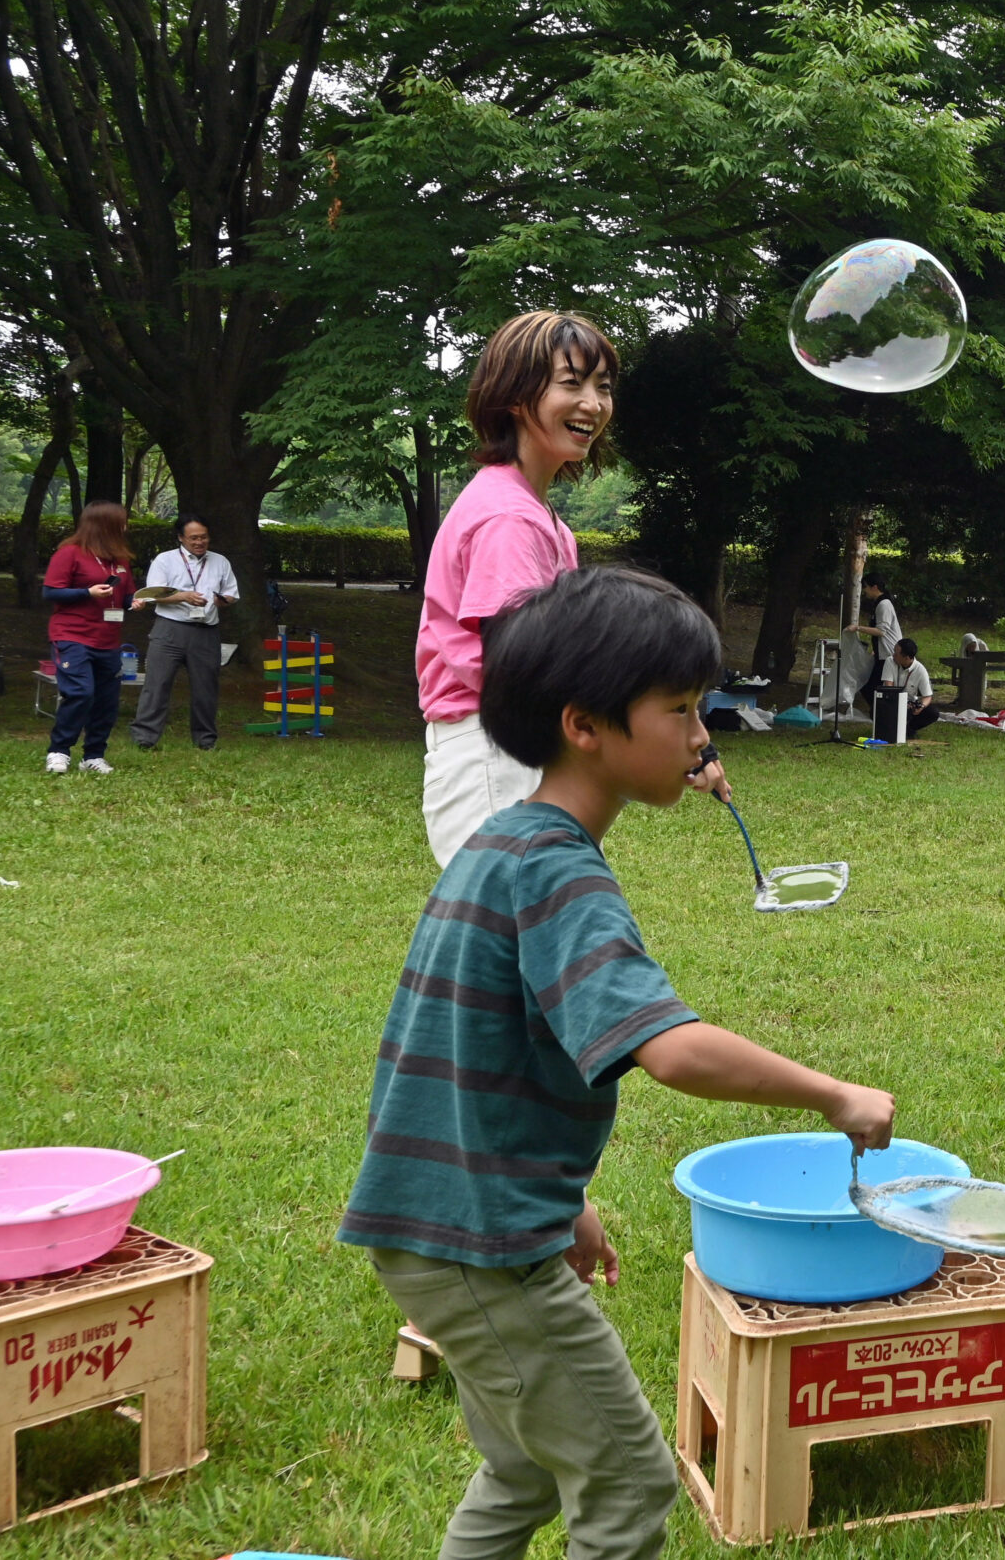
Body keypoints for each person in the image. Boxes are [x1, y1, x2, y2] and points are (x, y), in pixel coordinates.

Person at [340, 567, 897, 1560]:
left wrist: (562, 1200)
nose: (700, 735)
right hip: (479, 1249)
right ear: (585, 725)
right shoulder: (559, 873)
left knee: (520, 1470)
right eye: (678, 710)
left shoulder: (501, 846)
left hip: (448, 1224)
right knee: (631, 1486)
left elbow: (480, 1052)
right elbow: (672, 1049)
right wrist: (833, 1094)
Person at [416, 310, 725, 867]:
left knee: (540, 925)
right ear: (514, 396)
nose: (594, 403)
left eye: (603, 387)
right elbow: (518, 665)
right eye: (571, 382)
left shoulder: (537, 517)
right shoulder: (508, 519)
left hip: (520, 749)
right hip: (497, 751)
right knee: (525, 926)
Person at [40, 500, 136, 775]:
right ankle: (59, 751)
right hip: (72, 635)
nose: (126, 527)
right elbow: (51, 592)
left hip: (108, 639)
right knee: (80, 692)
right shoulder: (69, 553)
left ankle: (93, 755)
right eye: (122, 522)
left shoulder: (120, 559)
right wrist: (87, 593)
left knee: (107, 699)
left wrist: (136, 601)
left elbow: (126, 595)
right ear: (105, 525)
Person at [131, 515, 240, 751]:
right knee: (157, 684)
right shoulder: (165, 560)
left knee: (206, 688)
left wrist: (223, 600)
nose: (199, 542)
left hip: (206, 631)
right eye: (194, 538)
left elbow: (231, 593)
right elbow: (151, 595)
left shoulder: (220, 561)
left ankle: (205, 740)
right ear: (181, 538)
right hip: (169, 628)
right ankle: (145, 739)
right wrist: (183, 595)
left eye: (204, 537)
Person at [845, 576, 901, 705]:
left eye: (865, 587)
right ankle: (879, 710)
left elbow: (881, 631)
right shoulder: (879, 604)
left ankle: (882, 710)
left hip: (889, 653)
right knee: (870, 684)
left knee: (870, 685)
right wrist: (876, 650)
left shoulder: (884, 604)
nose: (864, 590)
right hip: (882, 652)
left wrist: (858, 628)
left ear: (874, 587)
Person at [889, 636, 940, 732]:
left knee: (932, 712)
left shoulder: (920, 670)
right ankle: (893, 729)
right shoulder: (890, 661)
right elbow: (888, 686)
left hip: (909, 705)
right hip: (892, 702)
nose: (893, 655)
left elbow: (927, 696)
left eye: (896, 653)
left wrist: (921, 707)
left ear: (906, 658)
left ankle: (908, 730)